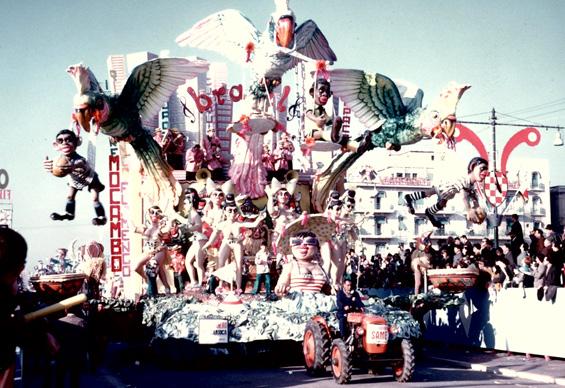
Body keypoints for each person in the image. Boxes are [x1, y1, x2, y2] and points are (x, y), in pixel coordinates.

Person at [43, 129, 107, 225]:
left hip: (90, 177)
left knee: (95, 198)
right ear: (56, 145)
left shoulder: (78, 158)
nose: (65, 143)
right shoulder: (60, 159)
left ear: (76, 142)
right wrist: (49, 166)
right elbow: (55, 166)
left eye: (69, 140)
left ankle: (101, 217)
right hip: (75, 179)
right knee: (70, 196)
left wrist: (74, 166)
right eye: (61, 141)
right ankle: (69, 213)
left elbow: (82, 162)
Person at [404, 157, 489, 228]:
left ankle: (429, 212)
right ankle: (410, 198)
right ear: (473, 166)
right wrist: (469, 209)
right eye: (482, 169)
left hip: (450, 192)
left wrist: (477, 207)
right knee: (430, 192)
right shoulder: (465, 180)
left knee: (441, 203)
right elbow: (464, 195)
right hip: (446, 187)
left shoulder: (471, 184)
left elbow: (472, 196)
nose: (484, 173)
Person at [132, 206, 172, 295]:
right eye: (152, 212)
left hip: (159, 250)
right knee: (136, 267)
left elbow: (167, 232)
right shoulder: (146, 227)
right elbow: (133, 228)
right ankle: (150, 280)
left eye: (157, 212)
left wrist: (165, 219)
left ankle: (156, 291)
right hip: (148, 251)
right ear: (149, 214)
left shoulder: (162, 226)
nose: (154, 214)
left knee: (153, 267)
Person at [305, 78, 344, 146]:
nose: (325, 94)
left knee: (343, 138)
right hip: (311, 135)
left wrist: (333, 121)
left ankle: (357, 145)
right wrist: (316, 119)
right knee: (321, 133)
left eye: (327, 92)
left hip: (324, 135)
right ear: (312, 92)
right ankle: (333, 136)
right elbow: (308, 113)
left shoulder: (323, 110)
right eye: (321, 90)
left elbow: (327, 120)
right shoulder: (311, 105)